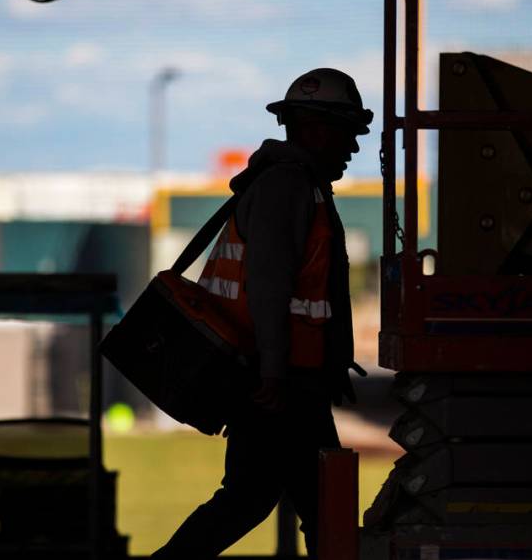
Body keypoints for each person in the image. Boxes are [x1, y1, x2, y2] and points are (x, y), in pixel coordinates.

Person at [151, 68, 371, 559]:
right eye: (348, 133)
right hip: (277, 380)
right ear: (316, 128)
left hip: (286, 376)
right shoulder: (287, 187)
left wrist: (329, 364)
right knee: (300, 503)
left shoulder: (296, 185)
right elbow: (270, 285)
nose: (353, 148)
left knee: (280, 500)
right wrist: (274, 370)